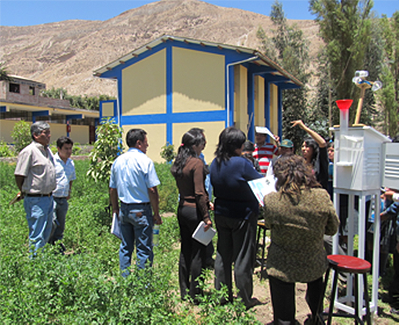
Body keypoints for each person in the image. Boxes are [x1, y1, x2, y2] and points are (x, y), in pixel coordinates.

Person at [263, 154, 340, 324]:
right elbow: (333, 228)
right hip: (313, 259)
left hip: (281, 263)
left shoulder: (272, 200)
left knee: (283, 315)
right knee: (315, 283)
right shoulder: (321, 196)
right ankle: (316, 315)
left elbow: (269, 225)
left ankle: (285, 320)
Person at [210, 127, 263, 308]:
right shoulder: (241, 163)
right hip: (243, 214)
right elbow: (260, 181)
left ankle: (222, 295)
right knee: (243, 257)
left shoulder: (214, 162)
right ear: (237, 145)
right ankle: (244, 299)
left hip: (222, 213)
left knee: (223, 255)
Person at [109, 128, 162, 277]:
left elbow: (112, 189)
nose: (148, 145)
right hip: (141, 210)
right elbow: (152, 189)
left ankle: (124, 279)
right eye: (146, 142)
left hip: (124, 209)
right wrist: (156, 213)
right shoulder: (145, 161)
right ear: (139, 143)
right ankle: (143, 285)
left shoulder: (117, 161)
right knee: (144, 248)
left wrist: (115, 210)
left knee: (125, 247)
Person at [171, 128, 212, 302]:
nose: (204, 145)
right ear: (195, 145)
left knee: (185, 250)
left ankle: (184, 291)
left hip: (182, 209)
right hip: (195, 211)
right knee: (198, 253)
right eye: (202, 142)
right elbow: (199, 193)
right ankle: (197, 294)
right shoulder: (196, 163)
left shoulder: (180, 161)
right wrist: (206, 217)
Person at [14, 121, 56, 253]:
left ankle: (42, 259)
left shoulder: (47, 150)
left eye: (49, 132)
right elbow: (20, 175)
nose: (49, 135)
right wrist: (24, 190)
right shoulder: (29, 152)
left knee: (47, 230)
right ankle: (35, 263)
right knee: (37, 233)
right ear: (36, 135)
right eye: (46, 133)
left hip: (49, 197)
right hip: (36, 199)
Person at [49, 136, 76, 252]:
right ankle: (48, 244)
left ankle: (58, 244)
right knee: (52, 222)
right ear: (58, 149)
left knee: (61, 225)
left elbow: (71, 179)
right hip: (52, 197)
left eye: (70, 148)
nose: (69, 151)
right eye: (66, 148)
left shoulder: (71, 163)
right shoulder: (52, 162)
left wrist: (69, 191)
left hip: (63, 198)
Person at [291, 120, 328, 191]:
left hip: (318, 196)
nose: (304, 149)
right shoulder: (300, 163)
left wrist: (305, 128)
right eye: (302, 146)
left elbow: (322, 143)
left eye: (307, 146)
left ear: (313, 147)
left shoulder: (320, 161)